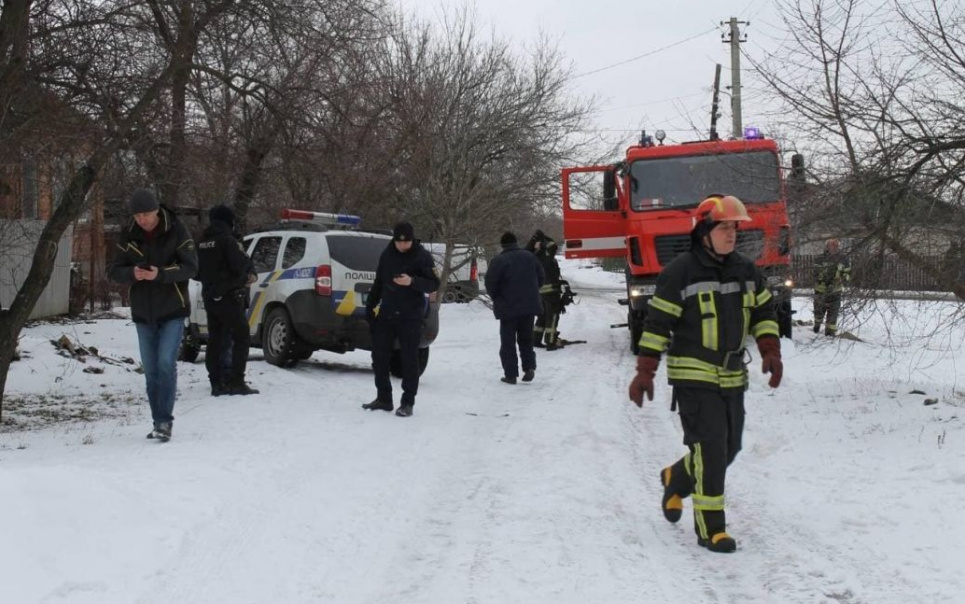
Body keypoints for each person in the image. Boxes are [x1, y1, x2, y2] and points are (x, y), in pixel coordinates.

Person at [628, 194, 783, 554]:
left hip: (732, 376)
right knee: (711, 450)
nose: (732, 235)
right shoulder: (679, 273)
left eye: (734, 228)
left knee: (730, 447)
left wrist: (770, 351)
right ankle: (711, 529)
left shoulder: (747, 270)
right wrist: (645, 371)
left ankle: (676, 477)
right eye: (724, 228)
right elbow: (657, 325)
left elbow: (764, 315)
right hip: (692, 375)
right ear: (704, 232)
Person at [107, 188, 198, 442]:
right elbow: (113, 269)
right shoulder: (128, 234)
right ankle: (158, 421)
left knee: (166, 364)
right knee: (151, 370)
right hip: (143, 313)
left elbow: (191, 267)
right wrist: (131, 273)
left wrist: (161, 274)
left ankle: (165, 422)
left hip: (172, 310)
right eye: (137, 215)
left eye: (146, 214)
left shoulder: (177, 230)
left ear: (157, 210)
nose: (142, 220)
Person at [362, 222, 440, 417]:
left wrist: (412, 281)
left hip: (410, 316)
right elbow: (379, 282)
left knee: (408, 359)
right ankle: (384, 397)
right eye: (399, 242)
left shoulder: (422, 256)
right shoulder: (387, 254)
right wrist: (370, 307)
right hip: (387, 313)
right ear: (394, 240)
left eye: (406, 242)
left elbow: (433, 283)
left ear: (412, 239)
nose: (403, 246)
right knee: (379, 356)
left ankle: (407, 402)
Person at [197, 204, 258, 396]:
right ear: (229, 221)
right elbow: (239, 265)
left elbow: (196, 272)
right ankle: (236, 381)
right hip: (228, 297)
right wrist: (243, 277)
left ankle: (216, 382)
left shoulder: (201, 242)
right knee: (242, 334)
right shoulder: (227, 241)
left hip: (209, 297)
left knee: (215, 339)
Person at [484, 231, 545, 384]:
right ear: (516, 242)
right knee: (526, 339)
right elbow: (541, 277)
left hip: (507, 308)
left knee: (508, 342)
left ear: (502, 245)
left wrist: (497, 297)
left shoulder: (499, 260)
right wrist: (531, 291)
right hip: (529, 306)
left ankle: (511, 375)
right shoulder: (530, 257)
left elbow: (490, 283)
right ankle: (529, 367)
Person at [526, 229, 563, 350]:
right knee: (552, 316)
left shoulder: (534, 256)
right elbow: (553, 245)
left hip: (540, 293)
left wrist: (537, 240)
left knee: (542, 316)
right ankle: (550, 342)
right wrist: (542, 239)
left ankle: (536, 340)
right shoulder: (545, 256)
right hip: (551, 292)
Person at [812, 238, 851, 336]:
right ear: (827, 247)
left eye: (836, 245)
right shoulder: (820, 259)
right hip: (821, 290)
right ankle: (817, 325)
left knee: (833, 313)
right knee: (819, 311)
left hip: (836, 291)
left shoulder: (844, 259)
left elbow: (848, 273)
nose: (834, 248)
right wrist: (825, 281)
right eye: (831, 245)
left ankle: (830, 333)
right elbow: (815, 273)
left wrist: (842, 279)